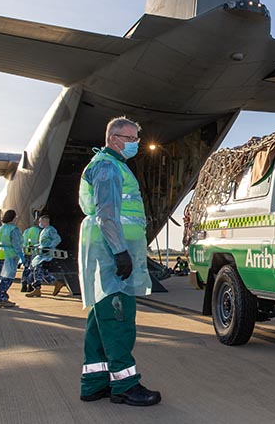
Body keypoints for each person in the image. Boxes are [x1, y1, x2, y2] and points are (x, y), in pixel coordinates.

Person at [78, 116, 160, 406]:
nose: (137, 143)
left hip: (110, 249)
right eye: (132, 138)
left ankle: (94, 383)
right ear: (114, 139)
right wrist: (120, 251)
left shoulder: (114, 165)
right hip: (111, 251)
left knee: (100, 319)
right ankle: (125, 384)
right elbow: (107, 213)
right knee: (118, 317)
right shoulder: (108, 167)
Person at [0, 209, 26, 308]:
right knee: (7, 278)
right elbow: (16, 244)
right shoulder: (13, 229)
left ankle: (3, 297)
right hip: (9, 255)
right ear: (13, 217)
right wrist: (21, 256)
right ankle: (1, 298)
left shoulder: (0, 229)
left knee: (0, 277)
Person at [26, 214, 65, 297]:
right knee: (43, 272)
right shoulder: (44, 231)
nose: (40, 223)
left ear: (45, 221)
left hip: (47, 255)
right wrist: (34, 246)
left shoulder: (51, 230)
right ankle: (56, 283)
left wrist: (49, 246)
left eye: (41, 221)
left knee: (37, 270)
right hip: (42, 254)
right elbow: (42, 244)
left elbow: (57, 239)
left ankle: (37, 289)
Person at [21, 216, 42, 292]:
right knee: (32, 269)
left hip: (27, 252)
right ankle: (30, 285)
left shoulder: (26, 231)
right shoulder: (40, 231)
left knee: (26, 269)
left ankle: (23, 284)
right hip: (35, 252)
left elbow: (23, 241)